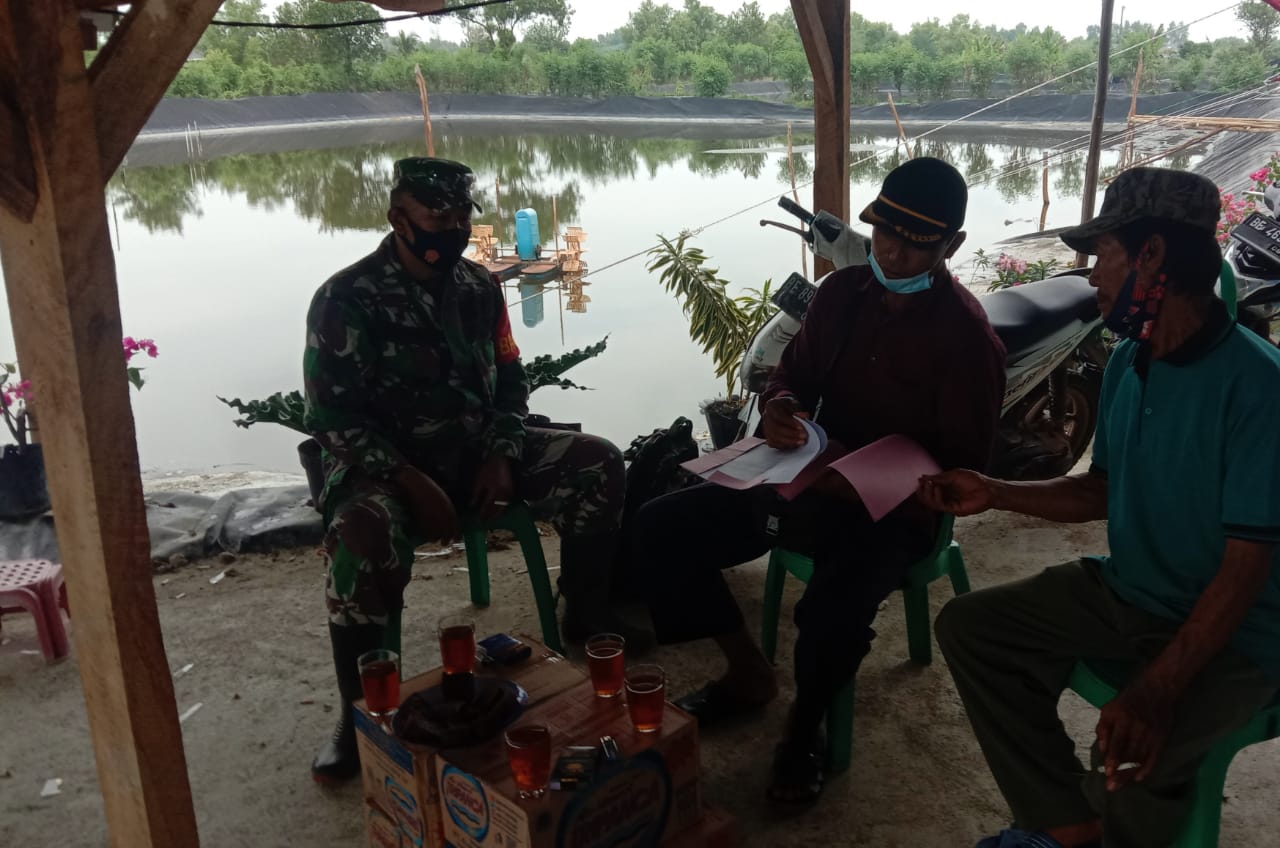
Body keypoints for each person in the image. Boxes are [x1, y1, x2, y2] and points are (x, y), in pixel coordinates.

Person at [920, 167, 1280, 848]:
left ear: (1152, 257)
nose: (1092, 278)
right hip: (1133, 592)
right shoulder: (1129, 361)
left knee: (1132, 751)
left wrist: (1157, 689)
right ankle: (1067, 825)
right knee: (974, 628)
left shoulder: (1260, 389)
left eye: (1103, 256)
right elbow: (1100, 491)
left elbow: (1244, 570)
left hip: (1244, 634)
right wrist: (995, 491)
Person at [634, 157, 1006, 805]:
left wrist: (864, 475)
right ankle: (747, 672)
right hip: (805, 477)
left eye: (915, 244)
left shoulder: (968, 340)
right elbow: (793, 379)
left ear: (953, 247)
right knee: (661, 529)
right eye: (883, 232)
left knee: (832, 611)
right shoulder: (840, 296)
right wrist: (780, 407)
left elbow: (961, 469)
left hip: (896, 510)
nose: (890, 251)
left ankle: (803, 731)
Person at [303, 157, 647, 784]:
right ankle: (357, 716)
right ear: (398, 218)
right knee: (358, 539)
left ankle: (587, 614)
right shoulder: (345, 299)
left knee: (599, 462)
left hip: (473, 453)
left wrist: (501, 452)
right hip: (385, 471)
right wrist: (411, 481)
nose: (453, 228)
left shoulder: (478, 289)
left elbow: (510, 379)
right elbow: (330, 419)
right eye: (439, 216)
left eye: (462, 215)